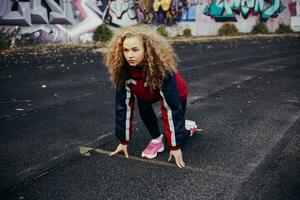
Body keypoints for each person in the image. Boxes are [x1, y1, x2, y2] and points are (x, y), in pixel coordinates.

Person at [105, 26, 198, 168]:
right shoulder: (123, 71)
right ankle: (156, 140)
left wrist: (175, 146)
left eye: (135, 50)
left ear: (147, 50)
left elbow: (170, 109)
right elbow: (123, 107)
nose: (129, 55)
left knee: (174, 134)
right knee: (143, 104)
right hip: (145, 93)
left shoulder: (162, 71)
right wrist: (123, 142)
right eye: (126, 50)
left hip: (176, 94)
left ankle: (188, 129)